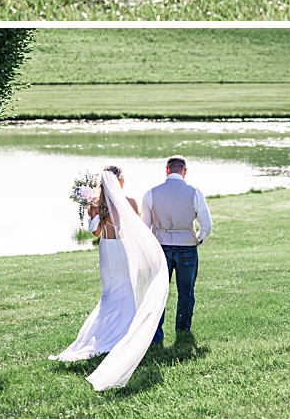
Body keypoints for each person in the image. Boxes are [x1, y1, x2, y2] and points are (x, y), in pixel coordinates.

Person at [51, 167, 169, 390]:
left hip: (106, 251)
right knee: (125, 293)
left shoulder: (96, 204)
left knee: (108, 295)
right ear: (120, 181)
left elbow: (95, 233)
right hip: (122, 251)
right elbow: (134, 230)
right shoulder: (130, 202)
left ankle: (103, 335)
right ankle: (121, 335)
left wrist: (90, 213)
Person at [142, 156, 213, 346]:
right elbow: (207, 225)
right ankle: (183, 329)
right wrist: (197, 239)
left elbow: (144, 227)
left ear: (166, 170)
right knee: (186, 292)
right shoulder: (194, 193)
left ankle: (156, 334)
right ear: (185, 171)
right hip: (187, 248)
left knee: (159, 292)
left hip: (160, 248)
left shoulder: (151, 193)